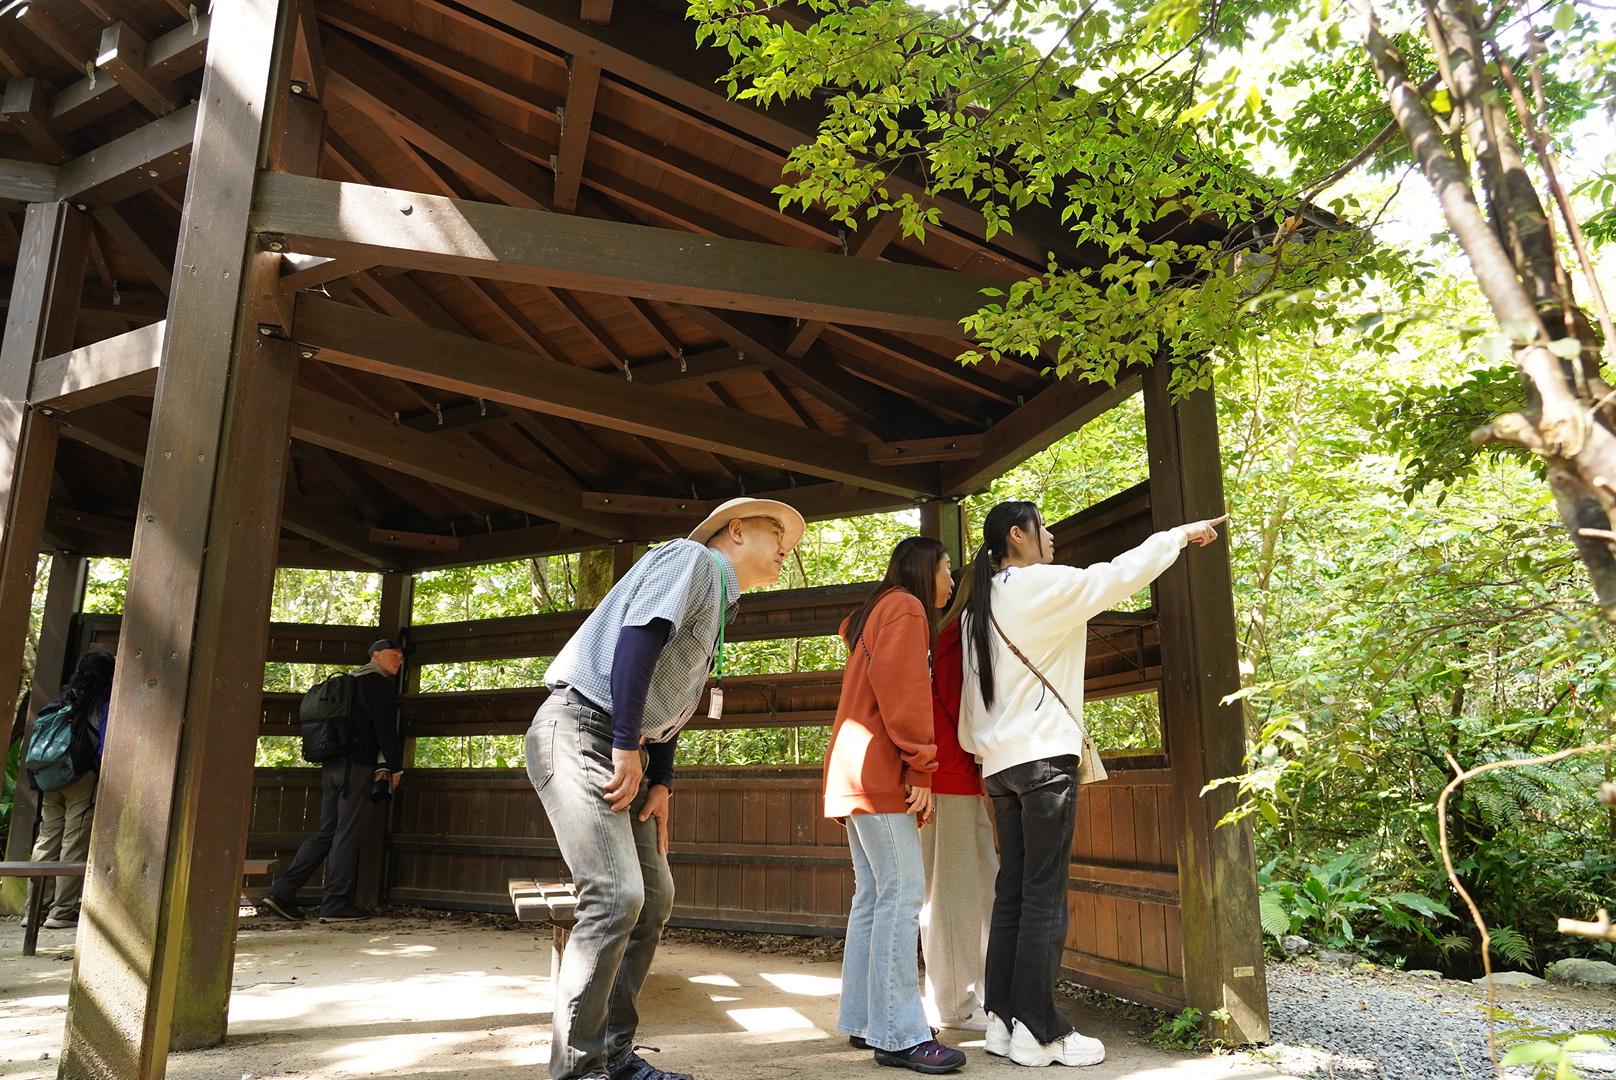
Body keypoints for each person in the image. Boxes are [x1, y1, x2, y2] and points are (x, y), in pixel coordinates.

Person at [529, 497, 803, 1080]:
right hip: (584, 726)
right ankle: (578, 1069)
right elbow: (639, 640)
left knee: (652, 897)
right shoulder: (692, 560)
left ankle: (615, 1056)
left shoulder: (719, 597)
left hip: (629, 742)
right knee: (615, 895)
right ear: (735, 531)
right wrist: (627, 743)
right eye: (777, 531)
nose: (788, 546)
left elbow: (670, 688)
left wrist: (662, 778)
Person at [959, 501, 1226, 1068]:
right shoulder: (1040, 585)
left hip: (999, 767)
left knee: (1013, 893)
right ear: (1018, 535)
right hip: (1042, 762)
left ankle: (1003, 1022)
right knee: (1044, 897)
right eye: (1043, 526)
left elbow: (968, 704)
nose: (1051, 536)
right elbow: (1116, 575)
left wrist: (987, 750)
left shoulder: (975, 610)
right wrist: (1176, 536)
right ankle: (1041, 1030)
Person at [824, 536, 966, 1075]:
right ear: (924, 568)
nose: (951, 581)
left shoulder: (875, 612)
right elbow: (904, 693)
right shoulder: (905, 608)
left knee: (874, 896)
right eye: (948, 569)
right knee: (902, 895)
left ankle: (866, 1019)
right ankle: (900, 1033)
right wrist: (921, 766)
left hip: (853, 767)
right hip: (881, 771)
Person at [259, 638, 405, 924]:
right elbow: (386, 730)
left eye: (401, 657)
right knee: (347, 833)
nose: (398, 660)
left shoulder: (349, 683)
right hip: (357, 768)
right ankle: (336, 903)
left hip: (333, 767)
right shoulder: (375, 684)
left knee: (326, 831)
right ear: (375, 655)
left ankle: (282, 892)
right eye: (393, 655)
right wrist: (396, 769)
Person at [919, 576, 998, 1034]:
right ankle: (952, 1004)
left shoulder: (962, 629)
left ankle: (973, 995)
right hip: (949, 774)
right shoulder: (957, 632)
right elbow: (959, 703)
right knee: (951, 893)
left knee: (981, 886)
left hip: (963, 777)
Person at [29, 650, 116, 930]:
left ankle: (34, 908)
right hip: (80, 777)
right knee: (74, 841)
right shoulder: (101, 703)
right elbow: (103, 746)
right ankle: (61, 911)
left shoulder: (65, 697)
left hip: (51, 778)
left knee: (47, 837)